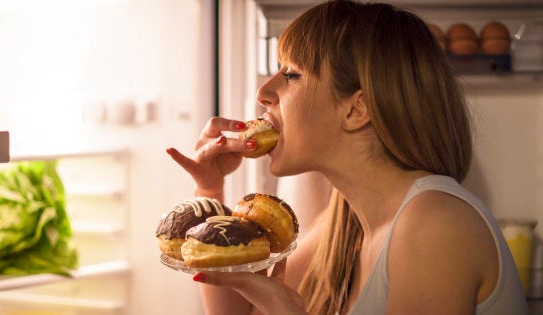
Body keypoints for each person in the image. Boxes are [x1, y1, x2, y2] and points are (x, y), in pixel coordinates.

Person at [166, 0, 529, 314]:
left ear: (357, 109)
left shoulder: (435, 224)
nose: (264, 92)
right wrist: (209, 191)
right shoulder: (343, 223)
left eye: (291, 74)